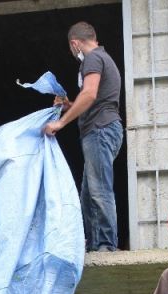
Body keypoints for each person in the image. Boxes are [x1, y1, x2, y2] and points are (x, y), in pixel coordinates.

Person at [42, 22, 123, 252]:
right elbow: (94, 99)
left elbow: (89, 94)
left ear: (75, 43)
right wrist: (68, 105)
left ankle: (106, 245)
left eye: (71, 48)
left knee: (99, 190)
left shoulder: (92, 58)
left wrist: (60, 122)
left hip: (100, 130)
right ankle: (94, 245)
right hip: (104, 129)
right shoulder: (104, 58)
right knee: (88, 194)